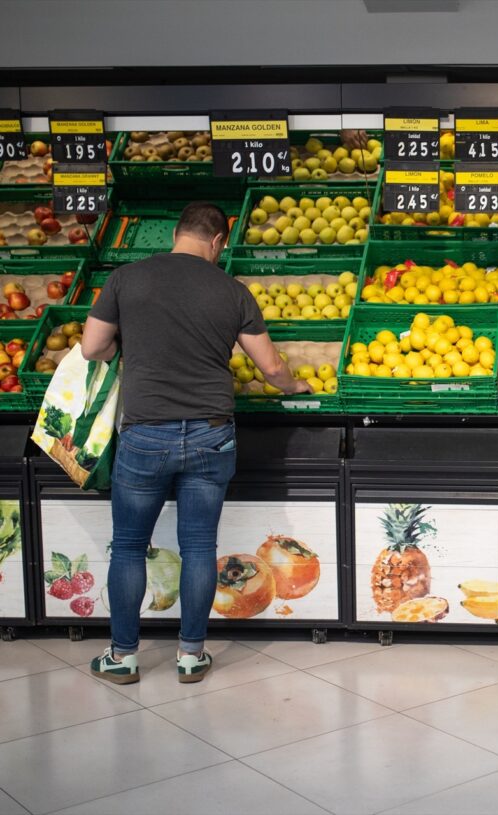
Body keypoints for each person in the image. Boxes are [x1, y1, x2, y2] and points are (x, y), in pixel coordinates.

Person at [81, 202, 308, 685]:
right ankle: (190, 655)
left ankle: (122, 656)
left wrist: (133, 349)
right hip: (210, 432)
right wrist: (296, 388)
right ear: (219, 241)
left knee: (127, 547)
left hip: (145, 433)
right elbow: (270, 367)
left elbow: (91, 347)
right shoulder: (233, 291)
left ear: (177, 233)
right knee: (200, 546)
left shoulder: (126, 278)